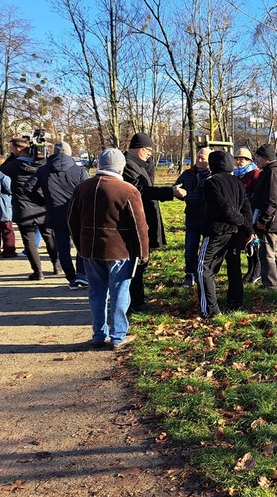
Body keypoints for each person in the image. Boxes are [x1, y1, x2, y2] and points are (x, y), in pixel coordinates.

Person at [68, 148, 149, 349]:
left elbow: (71, 220)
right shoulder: (128, 190)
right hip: (120, 251)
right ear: (121, 167)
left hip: (90, 250)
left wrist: (80, 245)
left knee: (97, 293)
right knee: (120, 292)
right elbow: (140, 227)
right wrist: (143, 253)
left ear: (99, 164)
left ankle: (98, 335)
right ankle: (118, 336)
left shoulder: (82, 187)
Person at [122, 132, 187, 311]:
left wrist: (149, 165)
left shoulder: (139, 164)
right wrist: (170, 192)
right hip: (137, 219)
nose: (150, 154)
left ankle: (136, 299)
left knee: (142, 260)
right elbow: (141, 190)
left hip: (146, 217)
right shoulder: (128, 165)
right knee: (137, 261)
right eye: (148, 150)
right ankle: (135, 302)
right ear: (140, 149)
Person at [26, 141, 90, 289]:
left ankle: (71, 278)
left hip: (55, 214)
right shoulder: (79, 171)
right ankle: (82, 274)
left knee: (63, 248)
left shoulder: (43, 170)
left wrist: (43, 202)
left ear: (54, 152)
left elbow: (28, 188)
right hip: (77, 213)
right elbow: (88, 191)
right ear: (69, 153)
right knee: (81, 245)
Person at [197, 150, 253, 318]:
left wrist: (243, 223)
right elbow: (246, 208)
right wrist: (248, 229)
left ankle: (210, 310)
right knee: (233, 267)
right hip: (234, 233)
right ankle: (236, 302)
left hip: (216, 232)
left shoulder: (211, 182)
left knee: (204, 269)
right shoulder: (237, 182)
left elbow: (223, 208)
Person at [0, 137, 58, 279]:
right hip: (41, 203)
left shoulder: (13, 166)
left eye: (12, 149)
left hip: (23, 205)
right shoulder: (41, 164)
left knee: (29, 240)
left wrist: (13, 156)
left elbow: (3, 168)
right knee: (49, 236)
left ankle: (38, 272)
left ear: (18, 149)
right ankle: (57, 265)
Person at [250, 144, 277, 291]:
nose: (256, 159)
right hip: (275, 220)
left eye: (259, 157)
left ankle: (271, 286)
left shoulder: (272, 173)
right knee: (274, 252)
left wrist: (263, 220)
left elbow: (272, 199)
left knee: (267, 253)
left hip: (269, 221)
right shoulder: (276, 171)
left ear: (267, 158)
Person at [175, 147, 212, 287]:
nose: (199, 161)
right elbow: (176, 187)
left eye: (203, 158)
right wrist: (178, 192)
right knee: (190, 247)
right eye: (198, 157)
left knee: (207, 249)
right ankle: (190, 274)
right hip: (192, 215)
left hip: (208, 217)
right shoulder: (187, 174)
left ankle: (205, 274)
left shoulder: (214, 175)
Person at [232, 147, 261, 283]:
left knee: (252, 241)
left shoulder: (255, 173)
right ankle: (250, 268)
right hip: (239, 213)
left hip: (252, 212)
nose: (238, 162)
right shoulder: (236, 174)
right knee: (245, 242)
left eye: (242, 159)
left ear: (249, 161)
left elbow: (258, 193)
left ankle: (257, 269)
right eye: (236, 159)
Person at [0, 155, 17, 257]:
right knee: (7, 229)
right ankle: (9, 251)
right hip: (2, 204)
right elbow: (9, 188)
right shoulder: (2, 174)